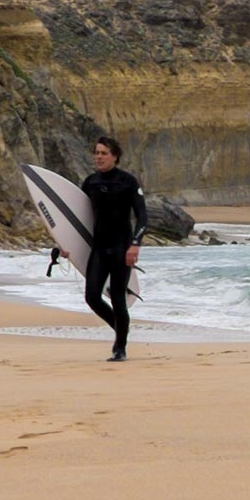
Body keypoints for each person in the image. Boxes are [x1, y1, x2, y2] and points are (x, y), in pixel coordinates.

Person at [79, 135, 146, 361]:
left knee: (118, 297)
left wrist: (135, 245)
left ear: (115, 156)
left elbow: (143, 217)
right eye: (96, 153)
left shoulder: (128, 182)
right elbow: (78, 219)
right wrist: (64, 245)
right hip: (99, 248)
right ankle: (120, 329)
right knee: (91, 296)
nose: (98, 157)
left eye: (103, 153)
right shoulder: (90, 183)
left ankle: (120, 348)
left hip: (121, 249)